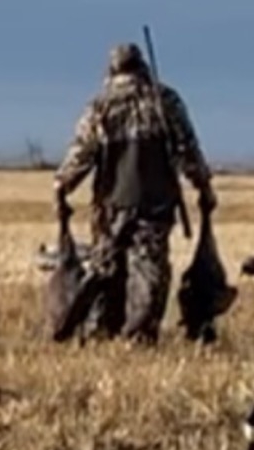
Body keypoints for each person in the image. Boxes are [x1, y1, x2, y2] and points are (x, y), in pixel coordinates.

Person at [54, 42, 217, 344]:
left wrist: (61, 188)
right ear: (141, 66)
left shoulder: (100, 106)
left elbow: (80, 156)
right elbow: (188, 151)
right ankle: (139, 335)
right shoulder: (165, 100)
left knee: (106, 271)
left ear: (112, 69)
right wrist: (203, 187)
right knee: (149, 272)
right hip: (155, 205)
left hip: (111, 205)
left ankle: (100, 331)